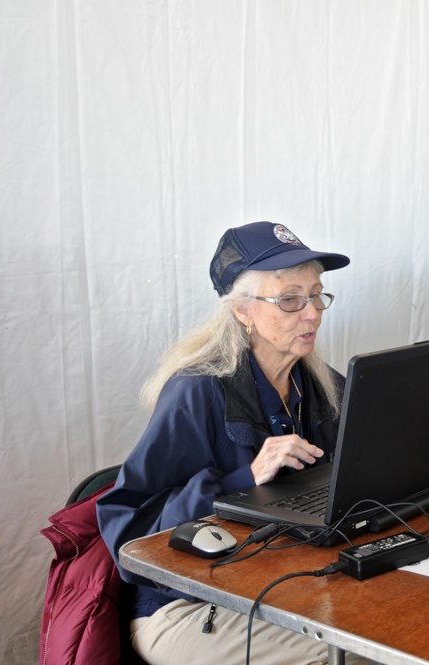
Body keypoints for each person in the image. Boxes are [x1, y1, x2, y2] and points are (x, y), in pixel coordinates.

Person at [97, 222, 362, 665]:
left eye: (316, 294)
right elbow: (129, 537)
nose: (313, 312)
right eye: (290, 299)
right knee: (354, 652)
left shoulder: (318, 383)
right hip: (187, 605)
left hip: (276, 580)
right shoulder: (197, 391)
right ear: (242, 311)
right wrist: (246, 479)